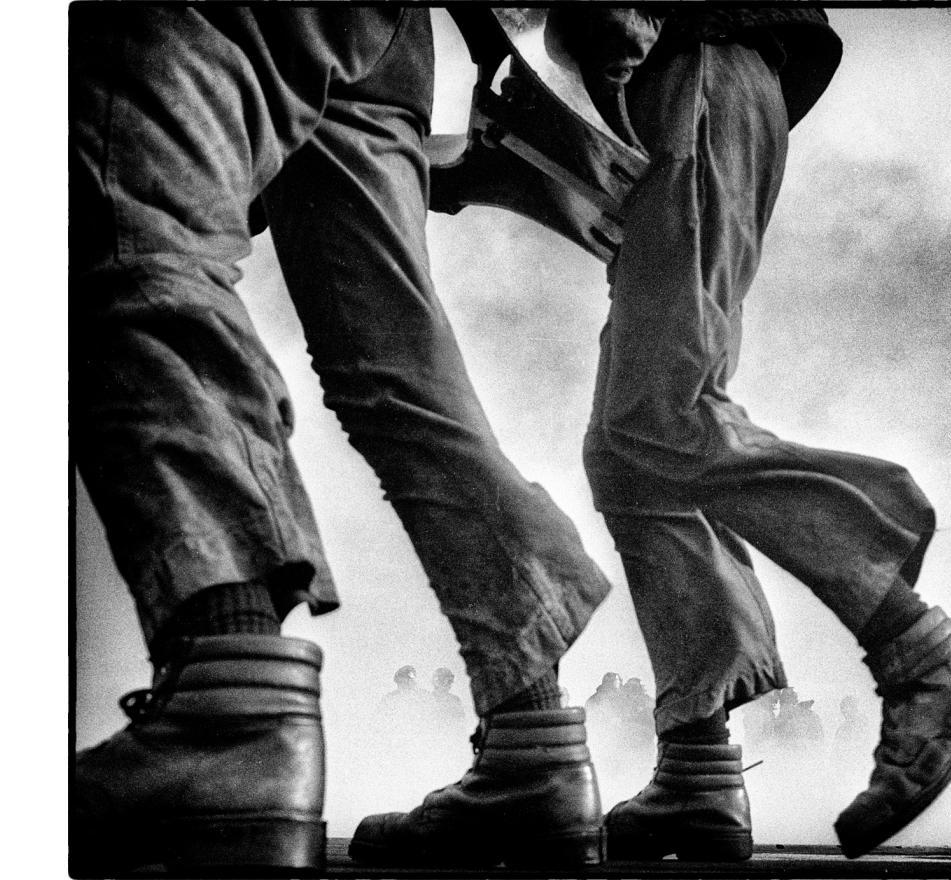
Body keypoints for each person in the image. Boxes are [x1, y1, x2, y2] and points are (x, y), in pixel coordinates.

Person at [70, 6, 620, 873]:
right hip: (390, 41)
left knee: (132, 221)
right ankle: (534, 741)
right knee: (400, 379)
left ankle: (228, 704)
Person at [579, 7, 951, 861]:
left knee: (660, 413)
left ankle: (925, 651)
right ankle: (697, 763)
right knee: (627, 449)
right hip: (687, 77)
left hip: (691, 65)